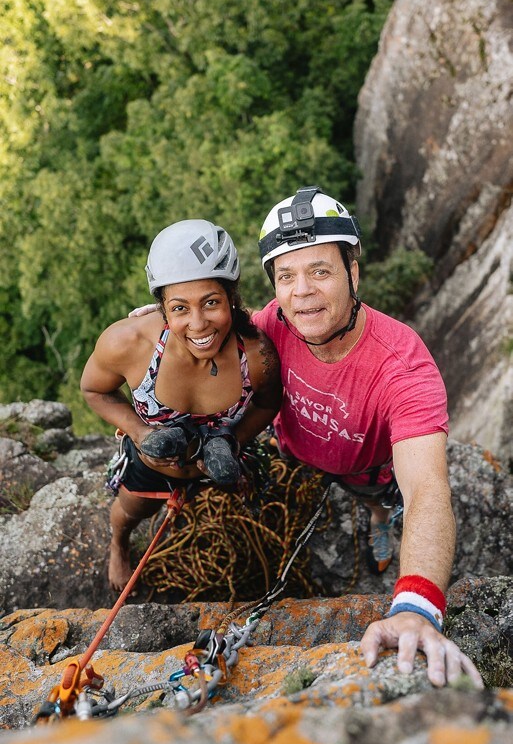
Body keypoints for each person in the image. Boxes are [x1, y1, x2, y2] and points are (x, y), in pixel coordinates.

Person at [129, 187, 483, 690]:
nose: (302, 292)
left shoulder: (402, 366)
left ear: (352, 273)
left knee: (382, 497)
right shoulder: (272, 324)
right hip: (292, 451)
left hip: (367, 467)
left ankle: (380, 518)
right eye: (286, 276)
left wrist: (417, 607)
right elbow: (207, 324)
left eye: (320, 271)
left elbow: (426, 487)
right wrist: (160, 325)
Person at [81, 219, 282, 592]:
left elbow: (270, 402)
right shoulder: (129, 344)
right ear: (160, 306)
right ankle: (119, 544)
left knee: (249, 498)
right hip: (152, 464)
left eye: (211, 303)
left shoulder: (256, 353)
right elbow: (95, 390)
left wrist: (234, 440)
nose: (198, 324)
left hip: (222, 462)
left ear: (232, 297)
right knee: (130, 511)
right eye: (179, 308)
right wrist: (141, 434)